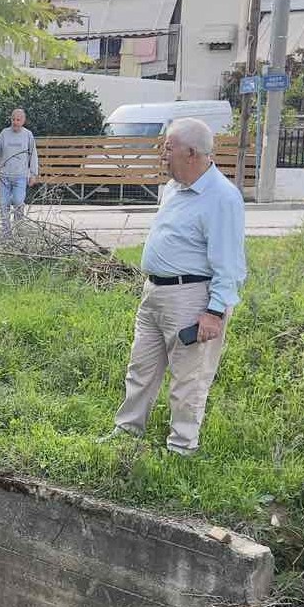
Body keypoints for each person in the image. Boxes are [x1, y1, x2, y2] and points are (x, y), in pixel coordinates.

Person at [103, 117, 246, 456]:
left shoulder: (222, 197)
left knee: (189, 378)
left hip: (191, 298)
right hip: (155, 293)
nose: (162, 154)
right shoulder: (173, 188)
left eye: (168, 148)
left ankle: (182, 447)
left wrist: (214, 312)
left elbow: (230, 263)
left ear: (191, 153)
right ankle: (128, 431)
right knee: (141, 368)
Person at [0, 108, 38, 239]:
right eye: (13, 119)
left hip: (20, 176)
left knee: (18, 202)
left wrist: (33, 173)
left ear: (23, 121)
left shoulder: (28, 135)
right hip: (4, 176)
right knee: (4, 204)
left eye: (18, 120)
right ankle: (6, 233)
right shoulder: (4, 133)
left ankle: (19, 229)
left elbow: (33, 155)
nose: (15, 122)